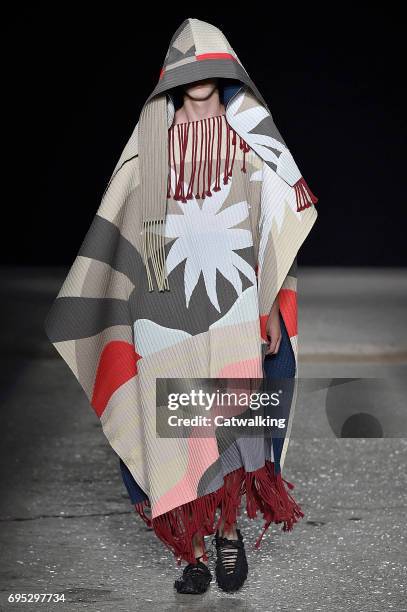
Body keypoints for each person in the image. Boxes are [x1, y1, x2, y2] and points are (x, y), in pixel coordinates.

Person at [44, 18, 318, 595]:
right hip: (163, 312)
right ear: (171, 75)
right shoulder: (149, 137)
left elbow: (273, 227)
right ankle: (190, 551)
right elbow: (119, 229)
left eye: (209, 65)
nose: (199, 75)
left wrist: (269, 303)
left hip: (234, 307)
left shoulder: (250, 132)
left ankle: (225, 535)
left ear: (225, 71)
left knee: (230, 423)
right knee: (172, 431)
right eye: (186, 66)